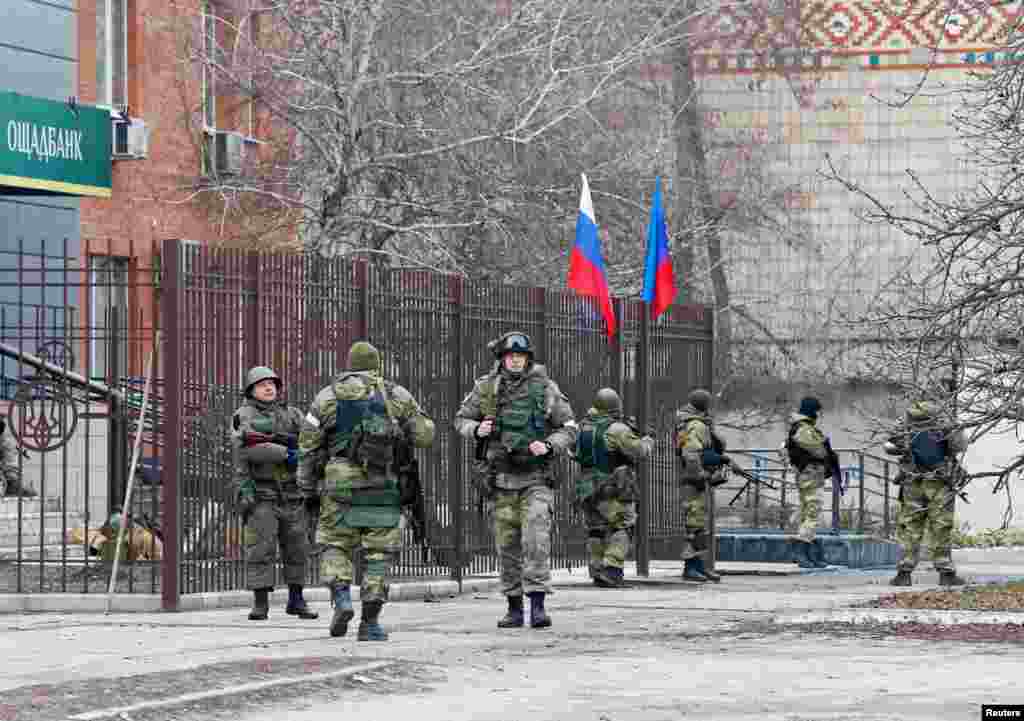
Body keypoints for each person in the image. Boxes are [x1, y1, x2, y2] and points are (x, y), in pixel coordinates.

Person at [297, 341, 435, 641]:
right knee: (378, 554)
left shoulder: (327, 396)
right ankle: (370, 623)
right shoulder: (396, 395)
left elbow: (307, 445)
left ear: (349, 366)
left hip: (339, 483)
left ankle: (342, 597)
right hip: (381, 484)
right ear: (377, 366)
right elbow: (425, 436)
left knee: (335, 543)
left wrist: (306, 488)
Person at [454, 331, 577, 629]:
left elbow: (570, 427)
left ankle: (537, 605)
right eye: (511, 356)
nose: (516, 361)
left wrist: (549, 445)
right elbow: (460, 419)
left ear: (528, 358)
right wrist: (476, 429)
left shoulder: (545, 388)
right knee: (506, 545)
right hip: (501, 479)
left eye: (521, 356)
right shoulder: (486, 389)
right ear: (503, 358)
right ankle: (513, 607)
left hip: (536, 479)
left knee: (535, 541)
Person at [231, 366, 318, 621]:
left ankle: (296, 600)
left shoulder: (292, 414)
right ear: (251, 389)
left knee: (298, 548)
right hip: (262, 493)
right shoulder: (243, 414)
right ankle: (260, 603)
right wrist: (286, 454)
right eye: (262, 384)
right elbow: (246, 450)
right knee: (260, 548)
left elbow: (311, 440)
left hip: (292, 493)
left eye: (272, 384)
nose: (269, 388)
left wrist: (301, 454)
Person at [574, 388, 653, 588]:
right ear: (615, 407)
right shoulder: (617, 429)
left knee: (596, 529)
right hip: (610, 486)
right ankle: (612, 569)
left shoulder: (581, 427)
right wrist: (648, 438)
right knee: (624, 525)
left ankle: (597, 569)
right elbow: (640, 451)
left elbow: (572, 452)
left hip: (585, 488)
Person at [883, 400, 968, 587]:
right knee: (941, 526)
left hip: (912, 480)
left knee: (910, 526)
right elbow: (959, 446)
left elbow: (889, 446)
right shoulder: (944, 419)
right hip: (939, 481)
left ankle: (904, 574)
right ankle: (946, 573)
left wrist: (909, 450)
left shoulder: (904, 420)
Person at [674, 388, 726, 582]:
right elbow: (691, 453)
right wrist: (701, 474)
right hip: (693, 480)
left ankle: (699, 565)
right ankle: (691, 567)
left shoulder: (689, 423)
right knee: (694, 525)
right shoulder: (695, 425)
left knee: (699, 524)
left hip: (693, 479)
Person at [784, 397, 833, 569]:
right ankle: (801, 550)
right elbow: (819, 451)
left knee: (808, 512)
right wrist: (824, 445)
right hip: (810, 475)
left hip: (811, 474)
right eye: (818, 410)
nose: (819, 414)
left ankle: (807, 552)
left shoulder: (803, 427)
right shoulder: (804, 429)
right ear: (812, 410)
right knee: (813, 511)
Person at [0, 418, 35, 497]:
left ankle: (14, 486)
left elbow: (9, 463)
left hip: (9, 475)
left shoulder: (5, 443)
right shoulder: (6, 442)